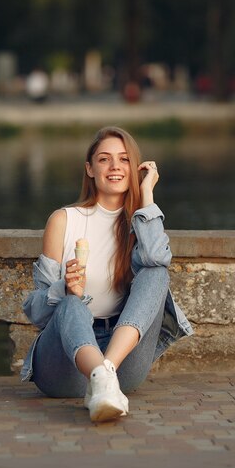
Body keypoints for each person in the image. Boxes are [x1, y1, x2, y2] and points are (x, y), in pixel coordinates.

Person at [21, 126, 194, 422]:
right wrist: (63, 289)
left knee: (156, 274)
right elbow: (36, 312)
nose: (115, 167)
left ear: (134, 168)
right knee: (72, 304)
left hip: (123, 363)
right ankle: (99, 377)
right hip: (66, 367)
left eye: (124, 159)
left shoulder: (140, 223)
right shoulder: (64, 220)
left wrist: (147, 193)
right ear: (90, 169)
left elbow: (155, 257)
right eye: (104, 159)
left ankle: (105, 375)